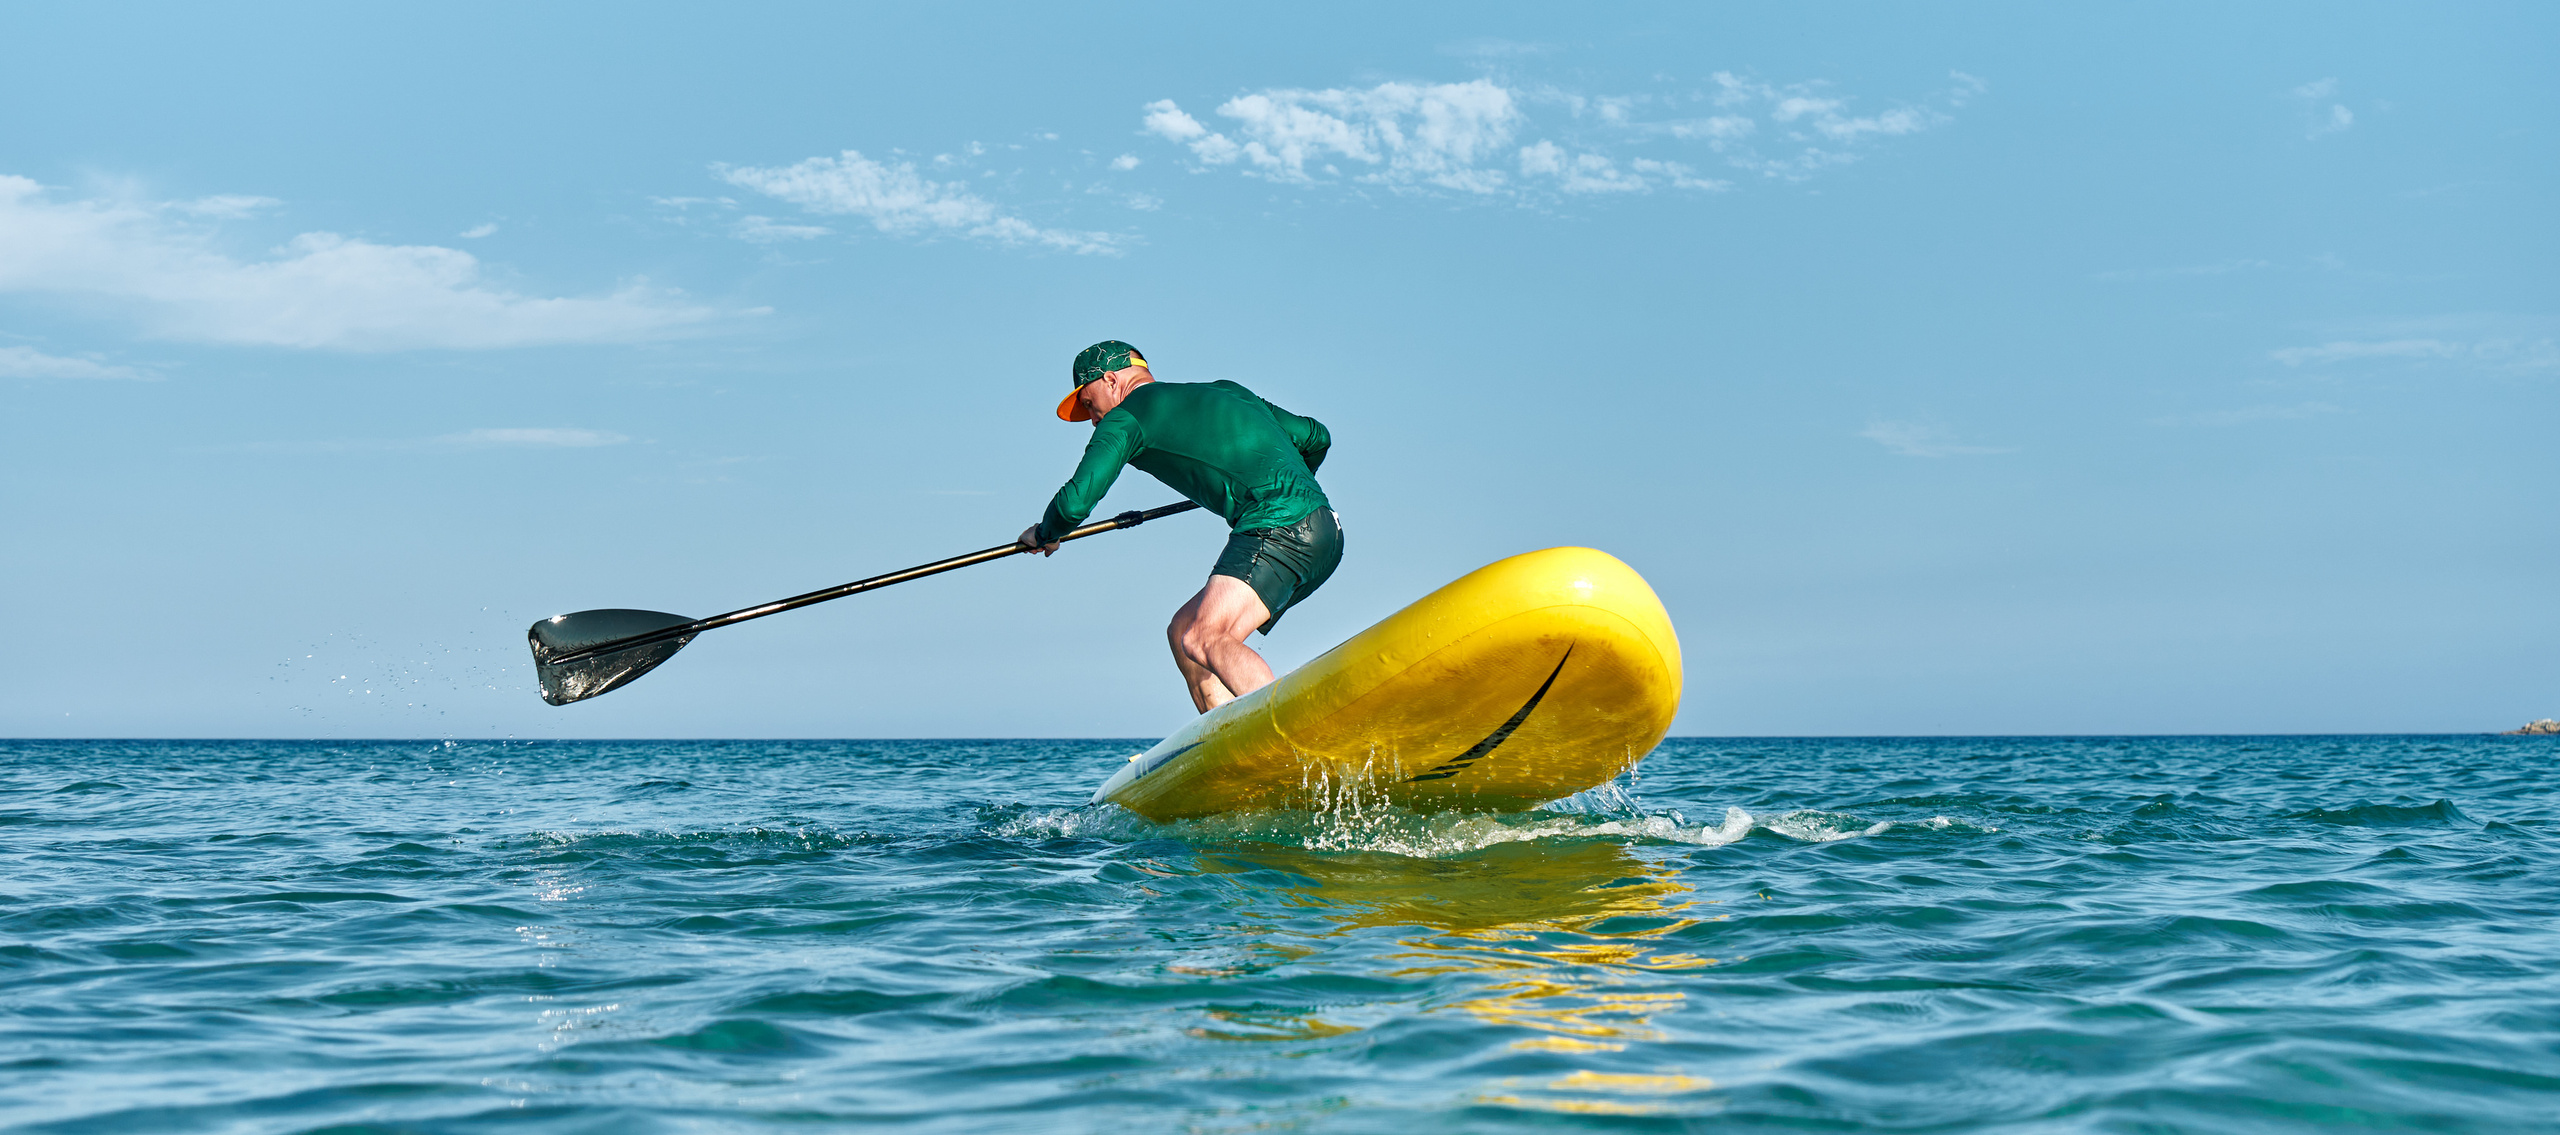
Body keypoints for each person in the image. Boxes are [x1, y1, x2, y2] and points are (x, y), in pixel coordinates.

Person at [1019, 340, 1341, 713]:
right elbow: (1316, 436)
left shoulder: (1126, 418)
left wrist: (1046, 533)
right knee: (1183, 631)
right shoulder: (1229, 391)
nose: (1093, 419)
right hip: (1325, 529)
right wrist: (1290, 484)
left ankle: (1291, 736)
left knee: (1206, 636)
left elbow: (1075, 502)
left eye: (1090, 405)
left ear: (1110, 380)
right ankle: (1225, 738)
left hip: (1277, 529)